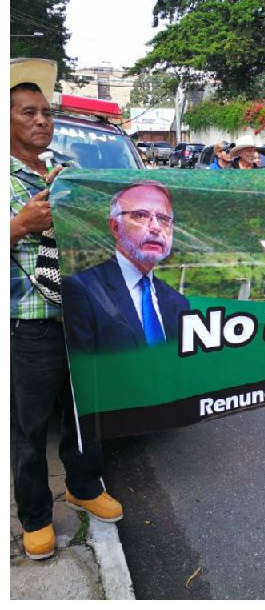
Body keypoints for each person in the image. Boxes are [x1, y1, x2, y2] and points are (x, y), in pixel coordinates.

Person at [10, 58, 123, 561]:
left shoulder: (70, 173)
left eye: (45, 113)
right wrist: (18, 226)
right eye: (27, 113)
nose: (41, 121)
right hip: (28, 325)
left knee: (85, 415)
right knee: (28, 430)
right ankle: (35, 518)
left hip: (82, 317)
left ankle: (83, 485)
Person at [61, 180, 191, 353]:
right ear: (115, 227)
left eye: (163, 219)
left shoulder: (178, 302)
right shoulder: (83, 290)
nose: (155, 228)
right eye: (140, 215)